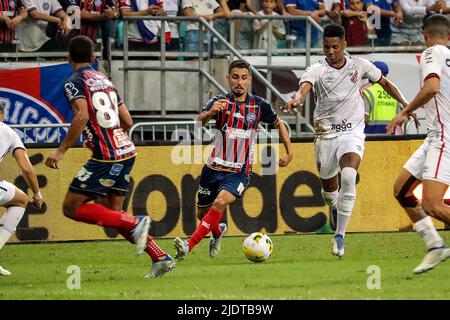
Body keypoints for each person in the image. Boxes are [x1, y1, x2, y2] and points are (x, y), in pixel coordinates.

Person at [45, 35, 175, 278]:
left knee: (71, 207)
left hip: (106, 156)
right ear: (94, 58)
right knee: (115, 216)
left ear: (68, 58)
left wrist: (62, 149)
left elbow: (81, 115)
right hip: (126, 151)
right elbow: (127, 121)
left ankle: (137, 223)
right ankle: (160, 257)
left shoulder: (74, 81)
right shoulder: (106, 80)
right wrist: (108, 137)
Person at [287, 24, 409, 257]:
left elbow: (385, 83)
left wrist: (406, 105)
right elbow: (304, 88)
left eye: (335, 47)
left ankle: (340, 235)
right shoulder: (317, 69)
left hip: (352, 132)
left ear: (345, 45)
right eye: (326, 47)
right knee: (329, 192)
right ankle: (334, 207)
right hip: (325, 134)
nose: (330, 51)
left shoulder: (359, 65)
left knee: (350, 176)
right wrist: (297, 99)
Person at [174, 59, 293, 260]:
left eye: (244, 78)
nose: (240, 82)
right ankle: (218, 230)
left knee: (220, 202)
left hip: (239, 171)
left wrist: (290, 152)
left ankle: (188, 245)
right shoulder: (219, 102)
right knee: (202, 215)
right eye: (235, 77)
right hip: (213, 168)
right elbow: (198, 122)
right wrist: (211, 113)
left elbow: (278, 124)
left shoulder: (259, 105)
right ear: (228, 78)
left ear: (249, 80)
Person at [387, 14, 450, 274]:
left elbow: (432, 87)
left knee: (433, 205)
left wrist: (404, 111)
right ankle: (435, 246)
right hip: (435, 135)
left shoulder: (431, 53)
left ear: (424, 34)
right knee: (401, 190)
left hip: (444, 137)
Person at [0, 105, 44, 276]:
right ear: (2, 115)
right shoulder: (9, 133)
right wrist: (37, 194)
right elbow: (27, 168)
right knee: (22, 200)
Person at [363, 61, 404, 134]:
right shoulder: (394, 92)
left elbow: (365, 118)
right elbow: (401, 118)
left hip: (371, 134)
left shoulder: (368, 92)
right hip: (390, 133)